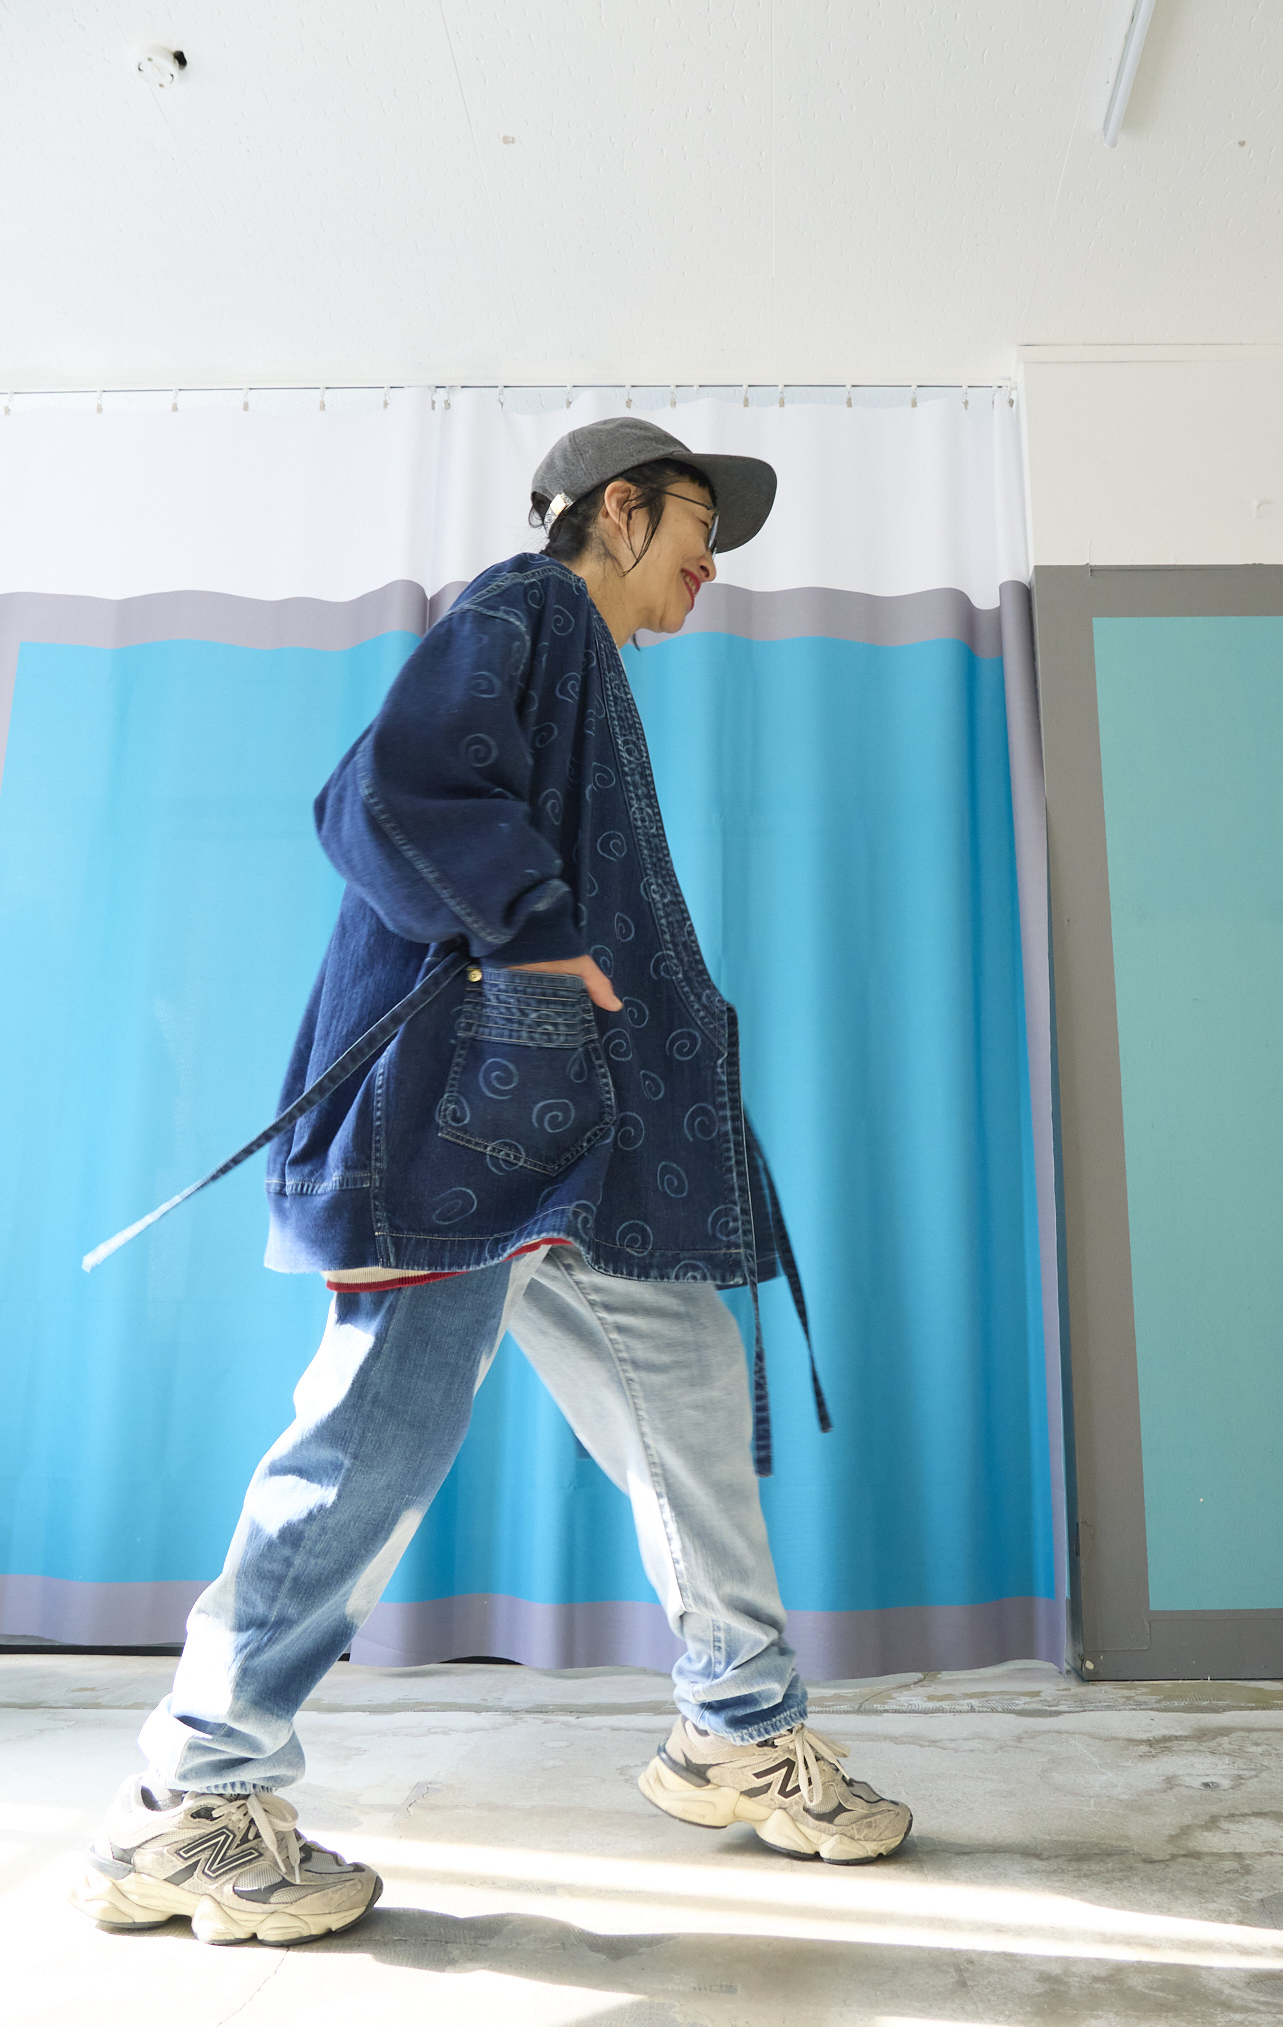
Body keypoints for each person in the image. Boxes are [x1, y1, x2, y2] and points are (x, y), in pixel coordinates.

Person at [69, 416, 912, 1948]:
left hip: (576, 1139)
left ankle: (734, 1722)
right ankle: (192, 1794)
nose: (712, 561)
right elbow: (381, 792)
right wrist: (531, 933)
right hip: (461, 1126)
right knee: (369, 1445)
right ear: (620, 507)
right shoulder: (526, 607)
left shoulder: (581, 663)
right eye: (697, 526)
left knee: (689, 1388)